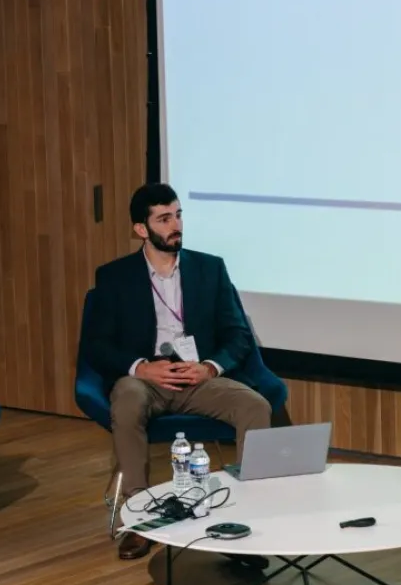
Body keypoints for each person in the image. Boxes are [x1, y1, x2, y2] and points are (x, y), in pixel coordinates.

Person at [84, 183, 272, 561]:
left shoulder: (210, 268)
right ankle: (140, 518)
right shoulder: (115, 277)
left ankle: (249, 517)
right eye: (164, 218)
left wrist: (209, 367)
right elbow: (97, 345)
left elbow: (238, 336)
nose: (176, 226)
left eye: (179, 215)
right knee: (126, 403)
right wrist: (141, 368)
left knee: (255, 406)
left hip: (197, 377)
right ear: (142, 229)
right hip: (145, 379)